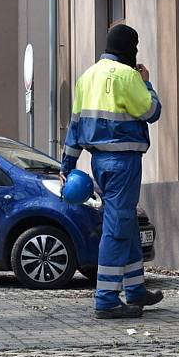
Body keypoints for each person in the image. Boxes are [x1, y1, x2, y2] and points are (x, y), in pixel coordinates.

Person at [60, 23, 164, 319]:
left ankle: (134, 289)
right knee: (118, 228)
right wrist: (146, 83)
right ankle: (106, 298)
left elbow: (75, 128)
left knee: (126, 223)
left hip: (99, 163)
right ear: (129, 48)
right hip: (124, 163)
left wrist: (66, 166)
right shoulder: (128, 76)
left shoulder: (87, 77)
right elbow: (151, 111)